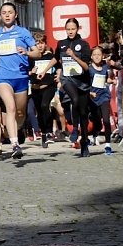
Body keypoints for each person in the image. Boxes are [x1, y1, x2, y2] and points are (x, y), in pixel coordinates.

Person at [0, 2, 40, 159]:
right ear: (1, 15)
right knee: (10, 107)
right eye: (4, 12)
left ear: (15, 15)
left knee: (20, 113)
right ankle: (15, 145)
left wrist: (27, 52)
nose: (7, 15)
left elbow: (37, 53)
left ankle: (15, 129)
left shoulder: (23, 33)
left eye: (10, 12)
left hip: (21, 77)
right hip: (3, 77)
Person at [39, 18, 93, 157]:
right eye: (68, 29)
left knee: (83, 113)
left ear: (77, 29)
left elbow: (86, 67)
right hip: (68, 79)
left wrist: (74, 56)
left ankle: (84, 142)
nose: (70, 31)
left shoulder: (84, 44)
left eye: (73, 29)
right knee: (74, 100)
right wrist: (45, 70)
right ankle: (74, 128)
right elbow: (56, 58)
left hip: (82, 82)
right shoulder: (61, 44)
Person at [29, 33, 57, 147]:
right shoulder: (31, 58)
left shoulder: (50, 56)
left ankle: (50, 130)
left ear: (45, 44)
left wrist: (58, 75)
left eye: (42, 43)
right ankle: (44, 134)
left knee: (45, 105)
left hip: (48, 86)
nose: (40, 46)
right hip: (36, 87)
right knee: (39, 111)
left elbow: (58, 67)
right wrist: (32, 72)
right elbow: (27, 73)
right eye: (37, 43)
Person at [89, 46, 115, 155]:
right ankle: (95, 134)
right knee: (97, 121)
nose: (97, 57)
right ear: (91, 56)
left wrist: (111, 81)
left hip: (104, 96)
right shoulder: (89, 69)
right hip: (93, 98)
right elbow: (85, 83)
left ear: (102, 56)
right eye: (94, 55)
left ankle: (108, 145)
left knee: (106, 120)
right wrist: (90, 92)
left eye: (99, 54)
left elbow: (105, 79)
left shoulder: (105, 67)